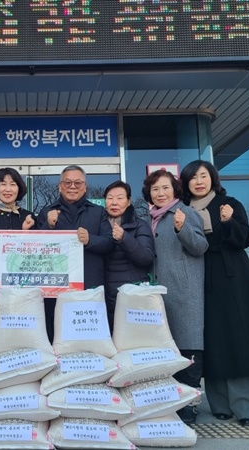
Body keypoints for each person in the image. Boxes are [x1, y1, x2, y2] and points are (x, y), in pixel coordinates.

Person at [180, 160, 249, 427]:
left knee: (239, 338)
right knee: (213, 340)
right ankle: (220, 404)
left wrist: (227, 222)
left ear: (213, 179)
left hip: (231, 277)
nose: (199, 181)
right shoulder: (183, 210)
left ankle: (248, 406)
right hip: (200, 279)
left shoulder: (229, 204)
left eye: (204, 176)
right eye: (193, 177)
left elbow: (245, 239)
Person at [141, 169, 209, 425]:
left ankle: (189, 404)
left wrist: (182, 228)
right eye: (155, 189)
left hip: (184, 292)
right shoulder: (149, 218)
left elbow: (200, 247)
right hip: (157, 294)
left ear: (175, 190)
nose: (160, 193)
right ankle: (168, 401)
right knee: (164, 348)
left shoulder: (185, 213)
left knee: (188, 345)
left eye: (165, 188)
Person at [37, 165, 113, 341]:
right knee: (56, 336)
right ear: (60, 186)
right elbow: (36, 248)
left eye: (78, 183)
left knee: (89, 337)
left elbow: (109, 243)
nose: (72, 186)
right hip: (55, 286)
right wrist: (48, 226)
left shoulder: (98, 212)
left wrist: (90, 240)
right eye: (67, 182)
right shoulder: (47, 212)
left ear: (85, 187)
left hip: (89, 284)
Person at [103, 180, 154, 332]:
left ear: (129, 201)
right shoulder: (99, 225)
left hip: (131, 295)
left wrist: (124, 238)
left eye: (120, 198)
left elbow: (146, 257)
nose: (114, 202)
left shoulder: (139, 225)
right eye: (110, 198)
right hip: (103, 296)